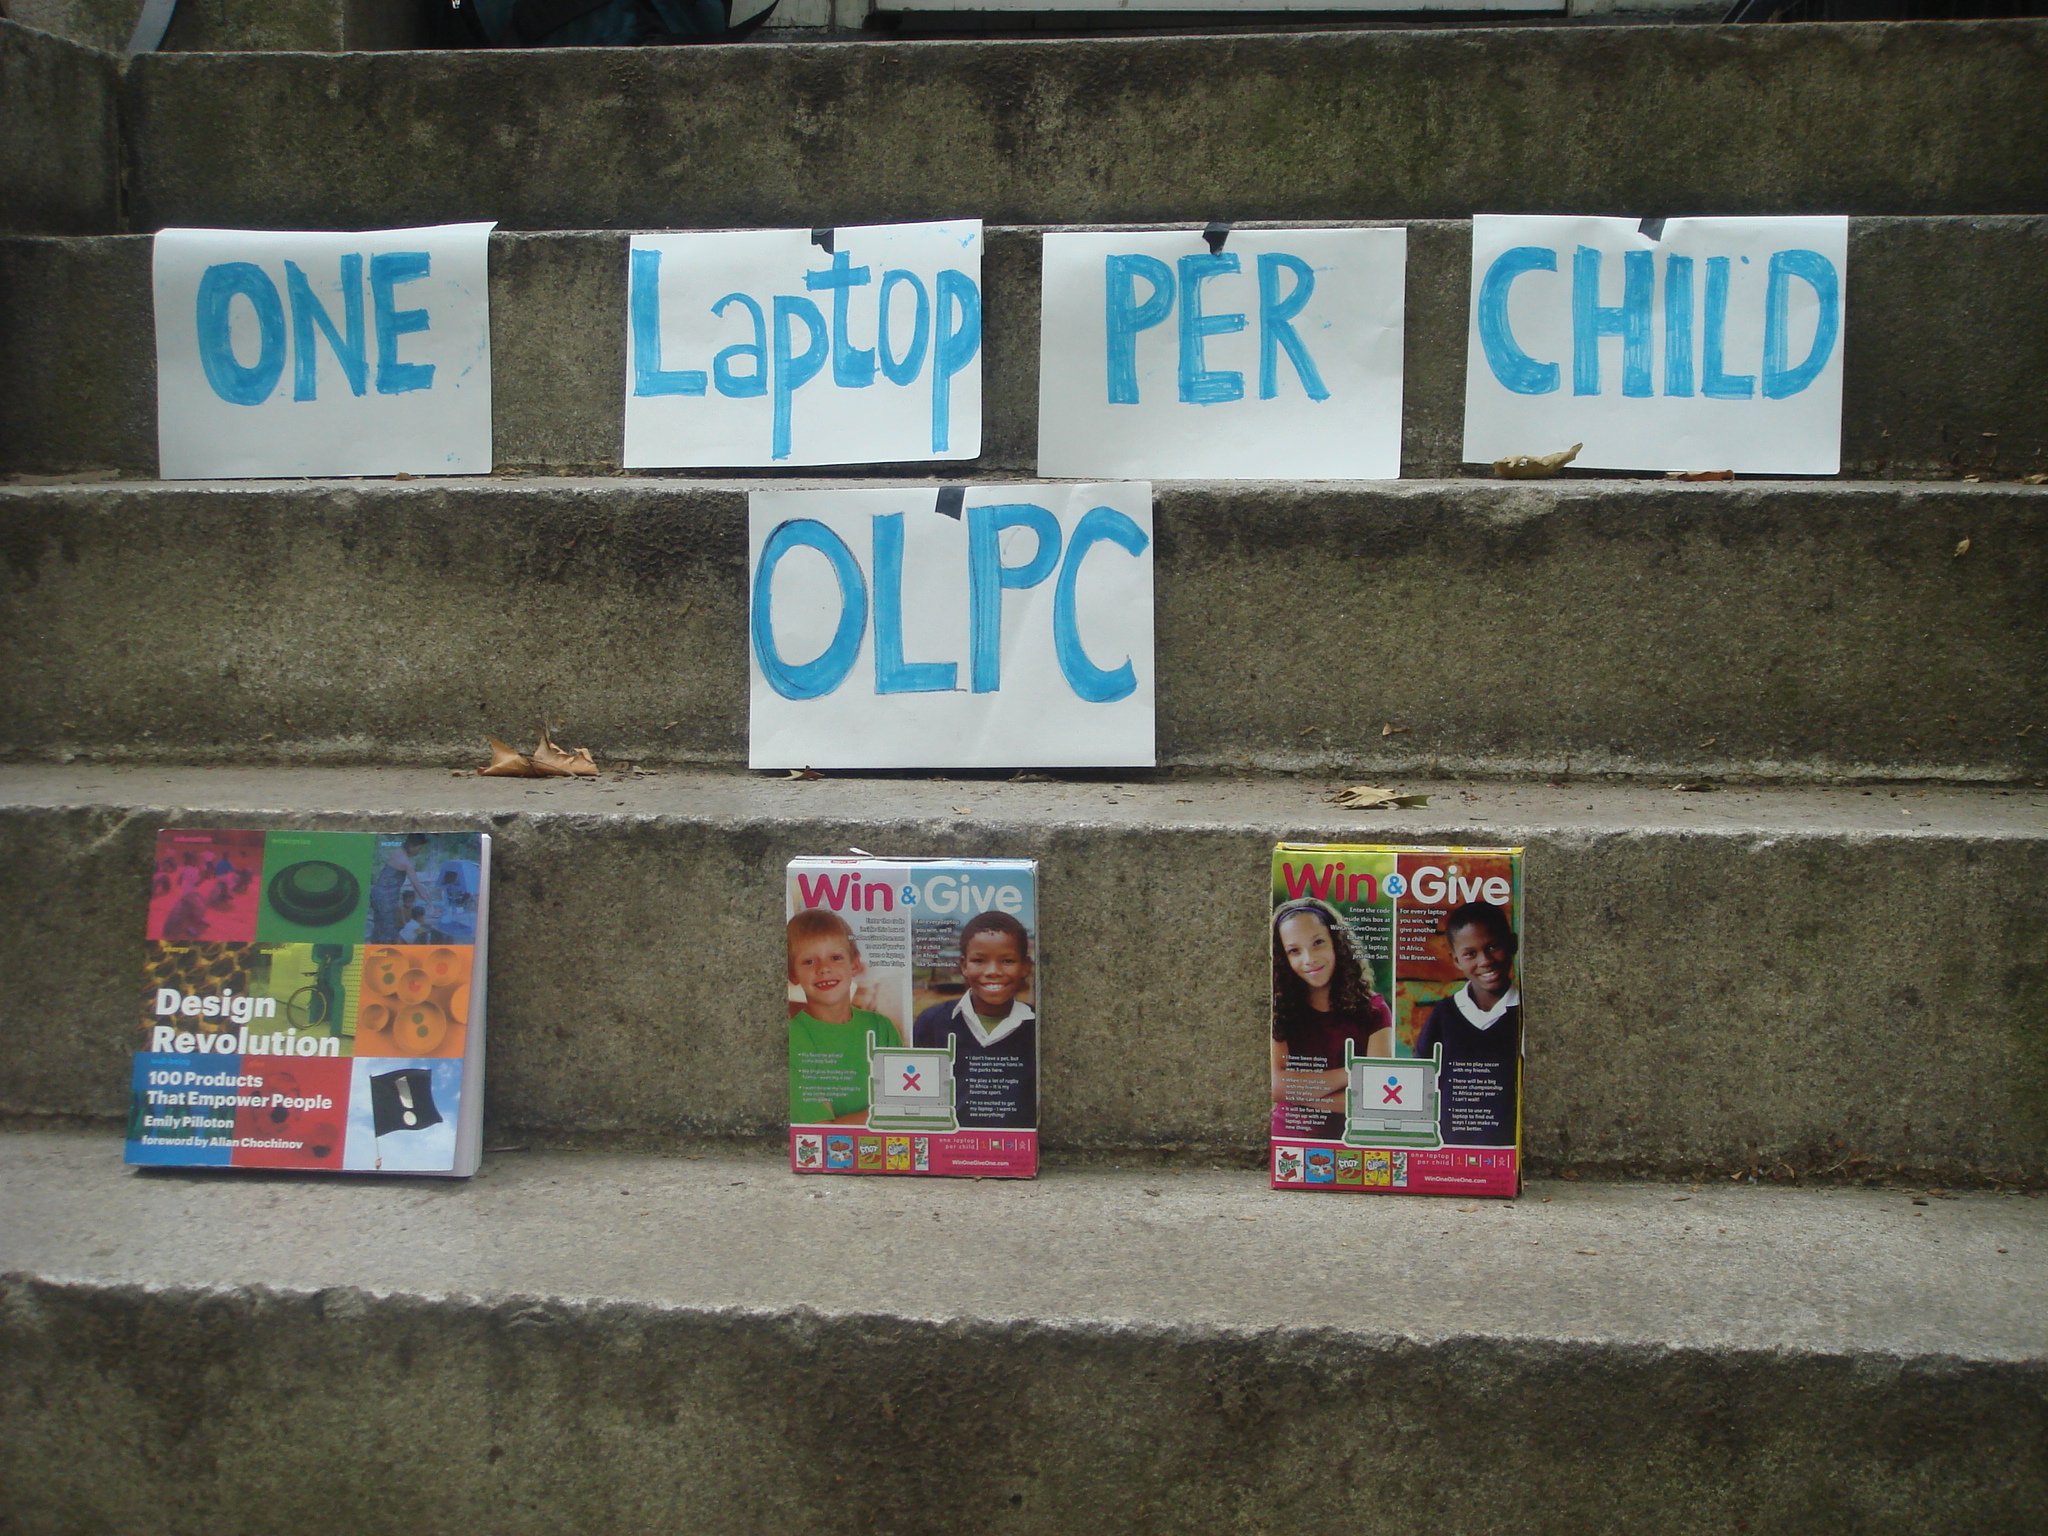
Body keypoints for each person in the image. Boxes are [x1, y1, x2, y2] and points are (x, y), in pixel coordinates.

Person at [1271, 898, 1393, 1141]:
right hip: (1291, 1137)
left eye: (1318, 943)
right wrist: (1354, 1071)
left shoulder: (1374, 1010)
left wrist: (1302, 1095)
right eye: (1294, 951)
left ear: (1337, 943)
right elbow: (1276, 1086)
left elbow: (1377, 1095)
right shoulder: (1279, 1009)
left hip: (1356, 1139)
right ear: (1283, 958)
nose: (1309, 959)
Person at [912, 912, 1036, 1128]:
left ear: (1025, 966)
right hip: (950, 1143)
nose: (993, 972)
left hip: (1016, 1145)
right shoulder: (932, 1022)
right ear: (964, 966)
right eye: (979, 961)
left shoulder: (1037, 1026)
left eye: (1007, 961)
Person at [1413, 900, 1521, 1147]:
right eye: (1470, 954)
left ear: (1512, 944)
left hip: (1508, 1145)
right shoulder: (1443, 1016)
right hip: (1451, 1145)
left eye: (1493, 946)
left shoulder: (1525, 1012)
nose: (1485, 960)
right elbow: (1421, 1081)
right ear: (1456, 961)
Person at [787, 909, 901, 1126]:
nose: (824, 969)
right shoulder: (793, 1038)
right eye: (809, 961)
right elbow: (821, 1132)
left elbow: (904, 1108)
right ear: (793, 974)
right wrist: (886, 1113)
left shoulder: (882, 1027)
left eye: (836, 957)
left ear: (855, 965)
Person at [370, 834, 433, 944]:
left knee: (379, 926)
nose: (419, 852)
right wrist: (430, 903)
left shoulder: (397, 852)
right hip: (386, 898)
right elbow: (417, 886)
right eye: (419, 848)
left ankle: (375, 946)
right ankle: (386, 950)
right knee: (388, 930)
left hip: (377, 893)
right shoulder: (406, 862)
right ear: (412, 846)